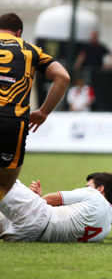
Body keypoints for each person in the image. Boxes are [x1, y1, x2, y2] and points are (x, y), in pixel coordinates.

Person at [0, 13, 70, 202]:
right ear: (19, 32)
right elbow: (63, 77)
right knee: (4, 186)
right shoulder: (31, 50)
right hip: (11, 121)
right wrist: (43, 112)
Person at [0, 172, 112, 242]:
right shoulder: (106, 230)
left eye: (88, 186)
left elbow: (50, 200)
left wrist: (37, 198)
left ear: (100, 189)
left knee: (4, 178)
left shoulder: (94, 195)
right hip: (29, 236)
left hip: (39, 215)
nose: (86, 188)